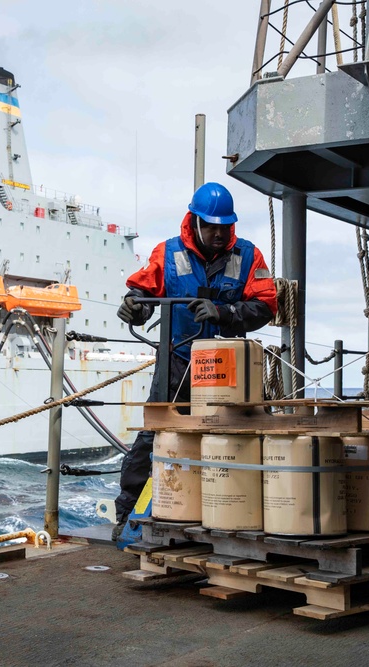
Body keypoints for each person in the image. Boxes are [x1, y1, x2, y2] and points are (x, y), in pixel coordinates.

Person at [111, 181, 277, 540]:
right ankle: (128, 517)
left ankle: (233, 513)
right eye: (212, 226)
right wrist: (133, 305)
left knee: (233, 436)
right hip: (177, 360)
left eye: (225, 226)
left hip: (227, 368)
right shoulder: (167, 254)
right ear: (195, 221)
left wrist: (223, 312)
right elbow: (143, 293)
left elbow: (265, 306)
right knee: (155, 437)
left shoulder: (249, 257)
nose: (219, 233)